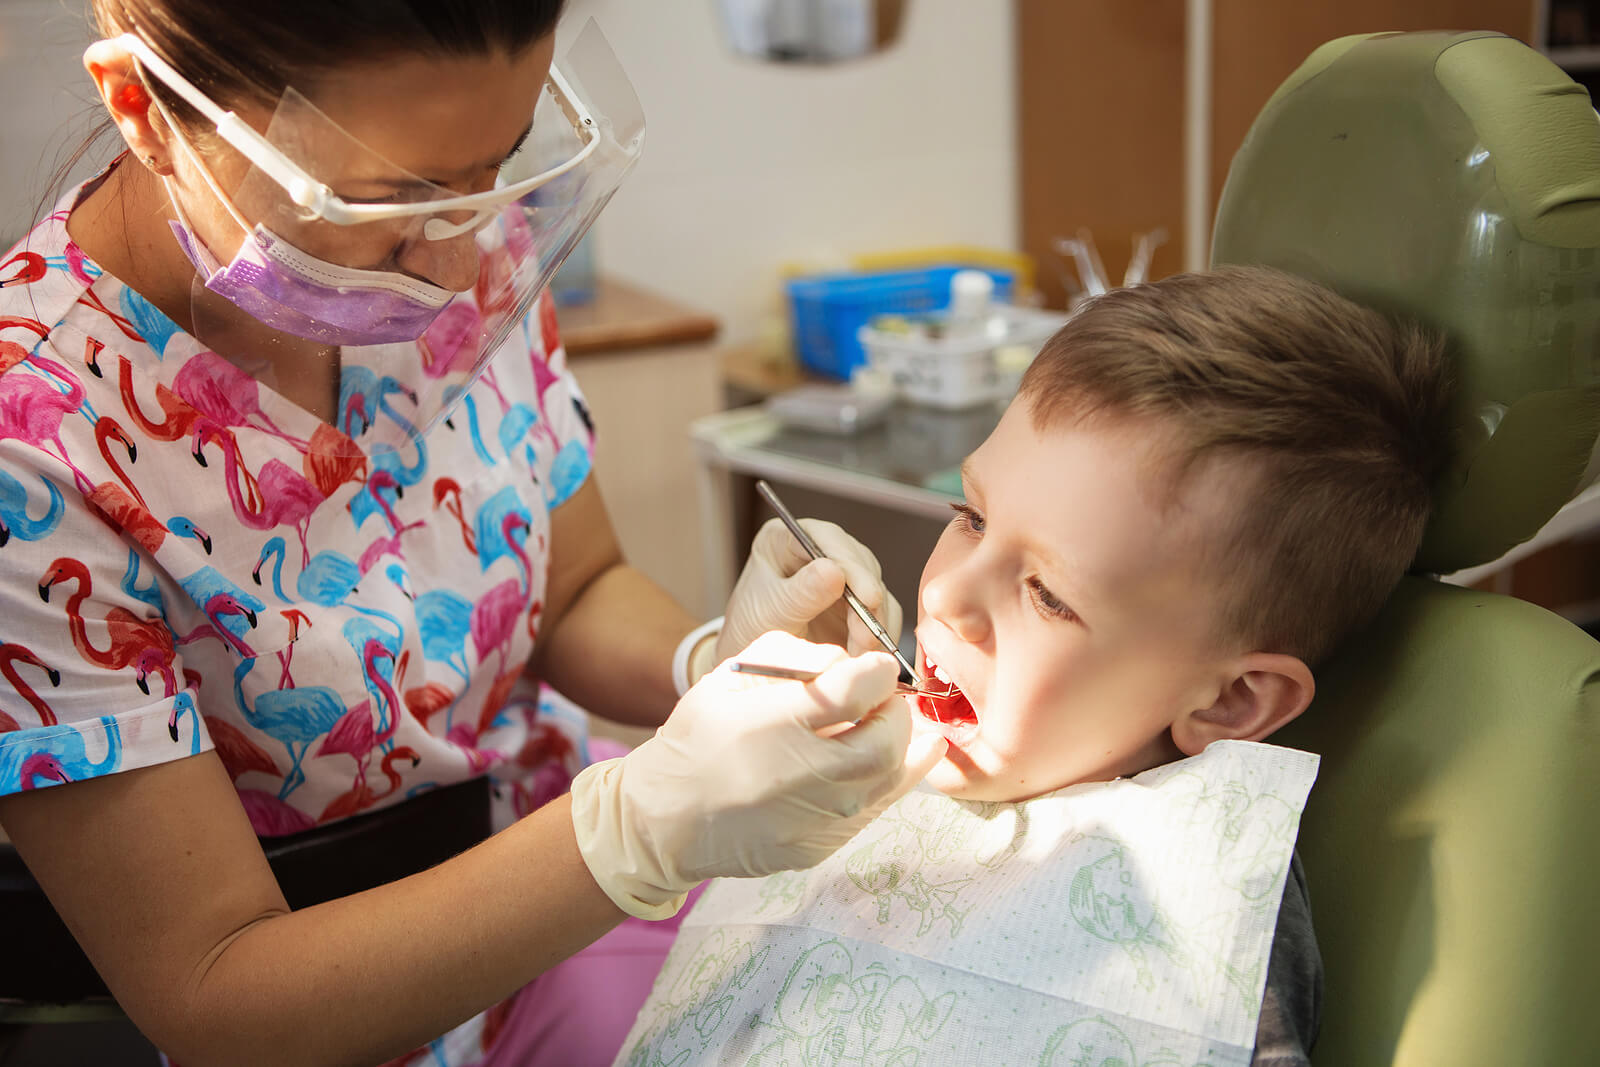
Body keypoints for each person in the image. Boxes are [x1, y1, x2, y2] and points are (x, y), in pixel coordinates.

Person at [0, 2, 945, 1065]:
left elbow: (572, 589)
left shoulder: (466, 240)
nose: (456, 275)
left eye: (489, 173)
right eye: (385, 202)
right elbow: (218, 991)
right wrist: (633, 829)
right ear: (143, 108)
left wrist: (716, 666)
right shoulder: (32, 451)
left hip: (560, 906)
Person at [617, 266, 1454, 1066]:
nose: (945, 595)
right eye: (971, 516)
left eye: (1049, 595)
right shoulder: (846, 749)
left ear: (1232, 700)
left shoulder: (1206, 913)